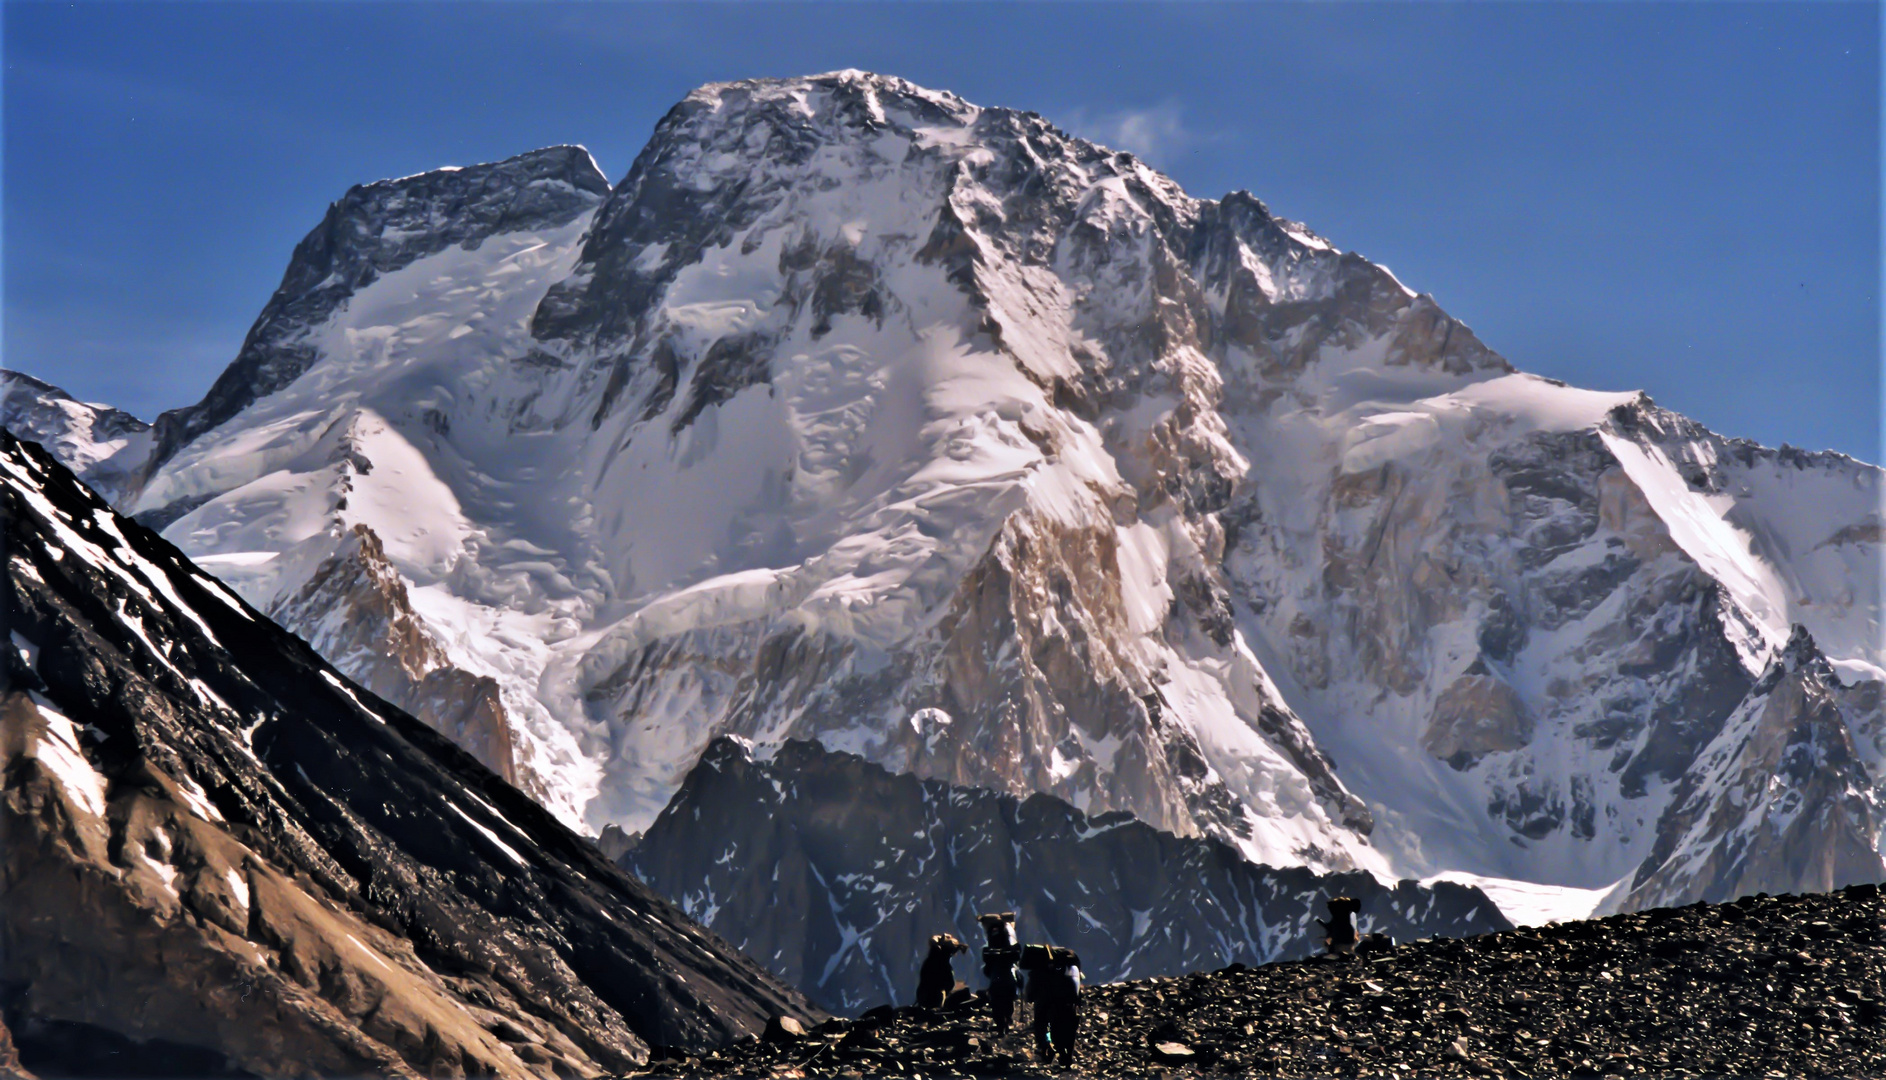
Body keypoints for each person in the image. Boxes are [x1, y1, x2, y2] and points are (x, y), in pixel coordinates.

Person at [1022, 944, 1081, 1065]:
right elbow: (1076, 990)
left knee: (1042, 1026)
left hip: (1044, 1001)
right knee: (1068, 1030)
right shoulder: (1070, 968)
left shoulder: (1038, 972)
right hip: (1066, 1003)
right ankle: (1066, 1056)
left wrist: (1030, 998)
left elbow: (1030, 993)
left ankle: (1046, 1048)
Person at [977, 912, 1021, 1031]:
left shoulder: (995, 931)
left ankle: (1001, 1023)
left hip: (999, 972)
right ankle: (1007, 1019)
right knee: (1007, 997)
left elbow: (992, 955)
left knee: (996, 997)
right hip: (1009, 971)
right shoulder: (1007, 929)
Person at [915, 933, 967, 1009]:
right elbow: (949, 984)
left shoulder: (929, 961)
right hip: (935, 999)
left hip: (922, 996)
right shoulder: (944, 964)